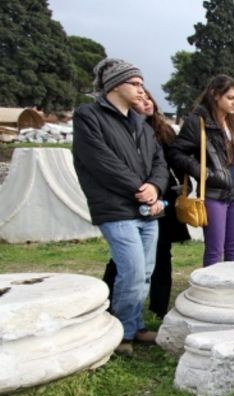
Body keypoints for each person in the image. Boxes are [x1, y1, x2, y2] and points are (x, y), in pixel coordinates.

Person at [73, 58, 169, 355]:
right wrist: (139, 188)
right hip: (116, 208)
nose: (143, 91)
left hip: (146, 210)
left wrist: (154, 187)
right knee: (131, 270)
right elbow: (100, 162)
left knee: (145, 272)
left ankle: (134, 325)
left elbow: (159, 162)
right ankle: (120, 334)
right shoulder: (89, 116)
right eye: (136, 84)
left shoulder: (141, 123)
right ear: (116, 84)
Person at [102, 89, 191, 319]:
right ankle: (108, 302)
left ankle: (159, 308)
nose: (147, 102)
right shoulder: (123, 130)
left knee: (162, 253)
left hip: (165, 196)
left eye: (148, 97)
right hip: (136, 194)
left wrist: (185, 184)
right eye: (140, 100)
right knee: (126, 255)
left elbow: (175, 161)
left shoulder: (165, 129)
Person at [169, 75, 234, 267]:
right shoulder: (197, 121)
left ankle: (232, 290)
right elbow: (176, 153)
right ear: (215, 94)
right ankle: (211, 295)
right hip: (214, 193)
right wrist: (203, 172)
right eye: (230, 98)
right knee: (215, 250)